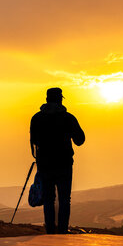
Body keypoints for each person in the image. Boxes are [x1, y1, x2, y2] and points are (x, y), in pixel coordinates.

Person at [30, 88, 85, 234]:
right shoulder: (68, 118)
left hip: (45, 164)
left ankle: (50, 229)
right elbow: (80, 140)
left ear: (47, 99)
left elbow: (33, 141)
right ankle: (62, 230)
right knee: (64, 198)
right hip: (64, 163)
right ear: (60, 99)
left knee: (48, 198)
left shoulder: (36, 118)